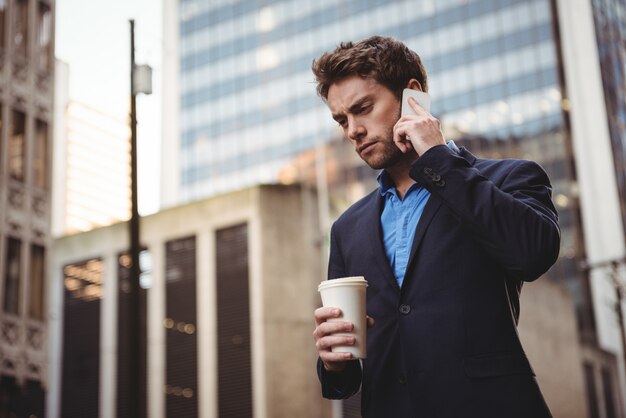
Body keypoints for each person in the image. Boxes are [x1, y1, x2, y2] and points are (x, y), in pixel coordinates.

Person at [311, 36, 560, 418]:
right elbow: (345, 381)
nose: (352, 131)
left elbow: (533, 254)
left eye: (363, 108)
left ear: (413, 95)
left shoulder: (510, 178)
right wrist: (334, 362)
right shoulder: (347, 227)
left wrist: (437, 157)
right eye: (342, 119)